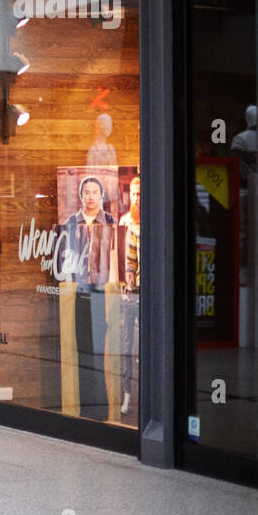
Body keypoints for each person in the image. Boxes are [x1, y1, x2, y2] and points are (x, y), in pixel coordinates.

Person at [61, 175, 116, 422]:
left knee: (101, 352)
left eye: (95, 192)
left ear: (101, 196)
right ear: (81, 196)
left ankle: (102, 410)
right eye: (87, 192)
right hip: (80, 294)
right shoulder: (71, 222)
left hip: (104, 294)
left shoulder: (112, 222)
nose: (91, 196)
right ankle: (85, 408)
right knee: (82, 351)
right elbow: (63, 257)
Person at [119, 176, 141, 418]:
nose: (137, 198)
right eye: (134, 194)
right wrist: (129, 283)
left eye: (141, 194)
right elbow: (130, 262)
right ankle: (127, 393)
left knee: (147, 344)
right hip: (133, 293)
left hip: (151, 294)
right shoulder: (129, 224)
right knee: (126, 345)